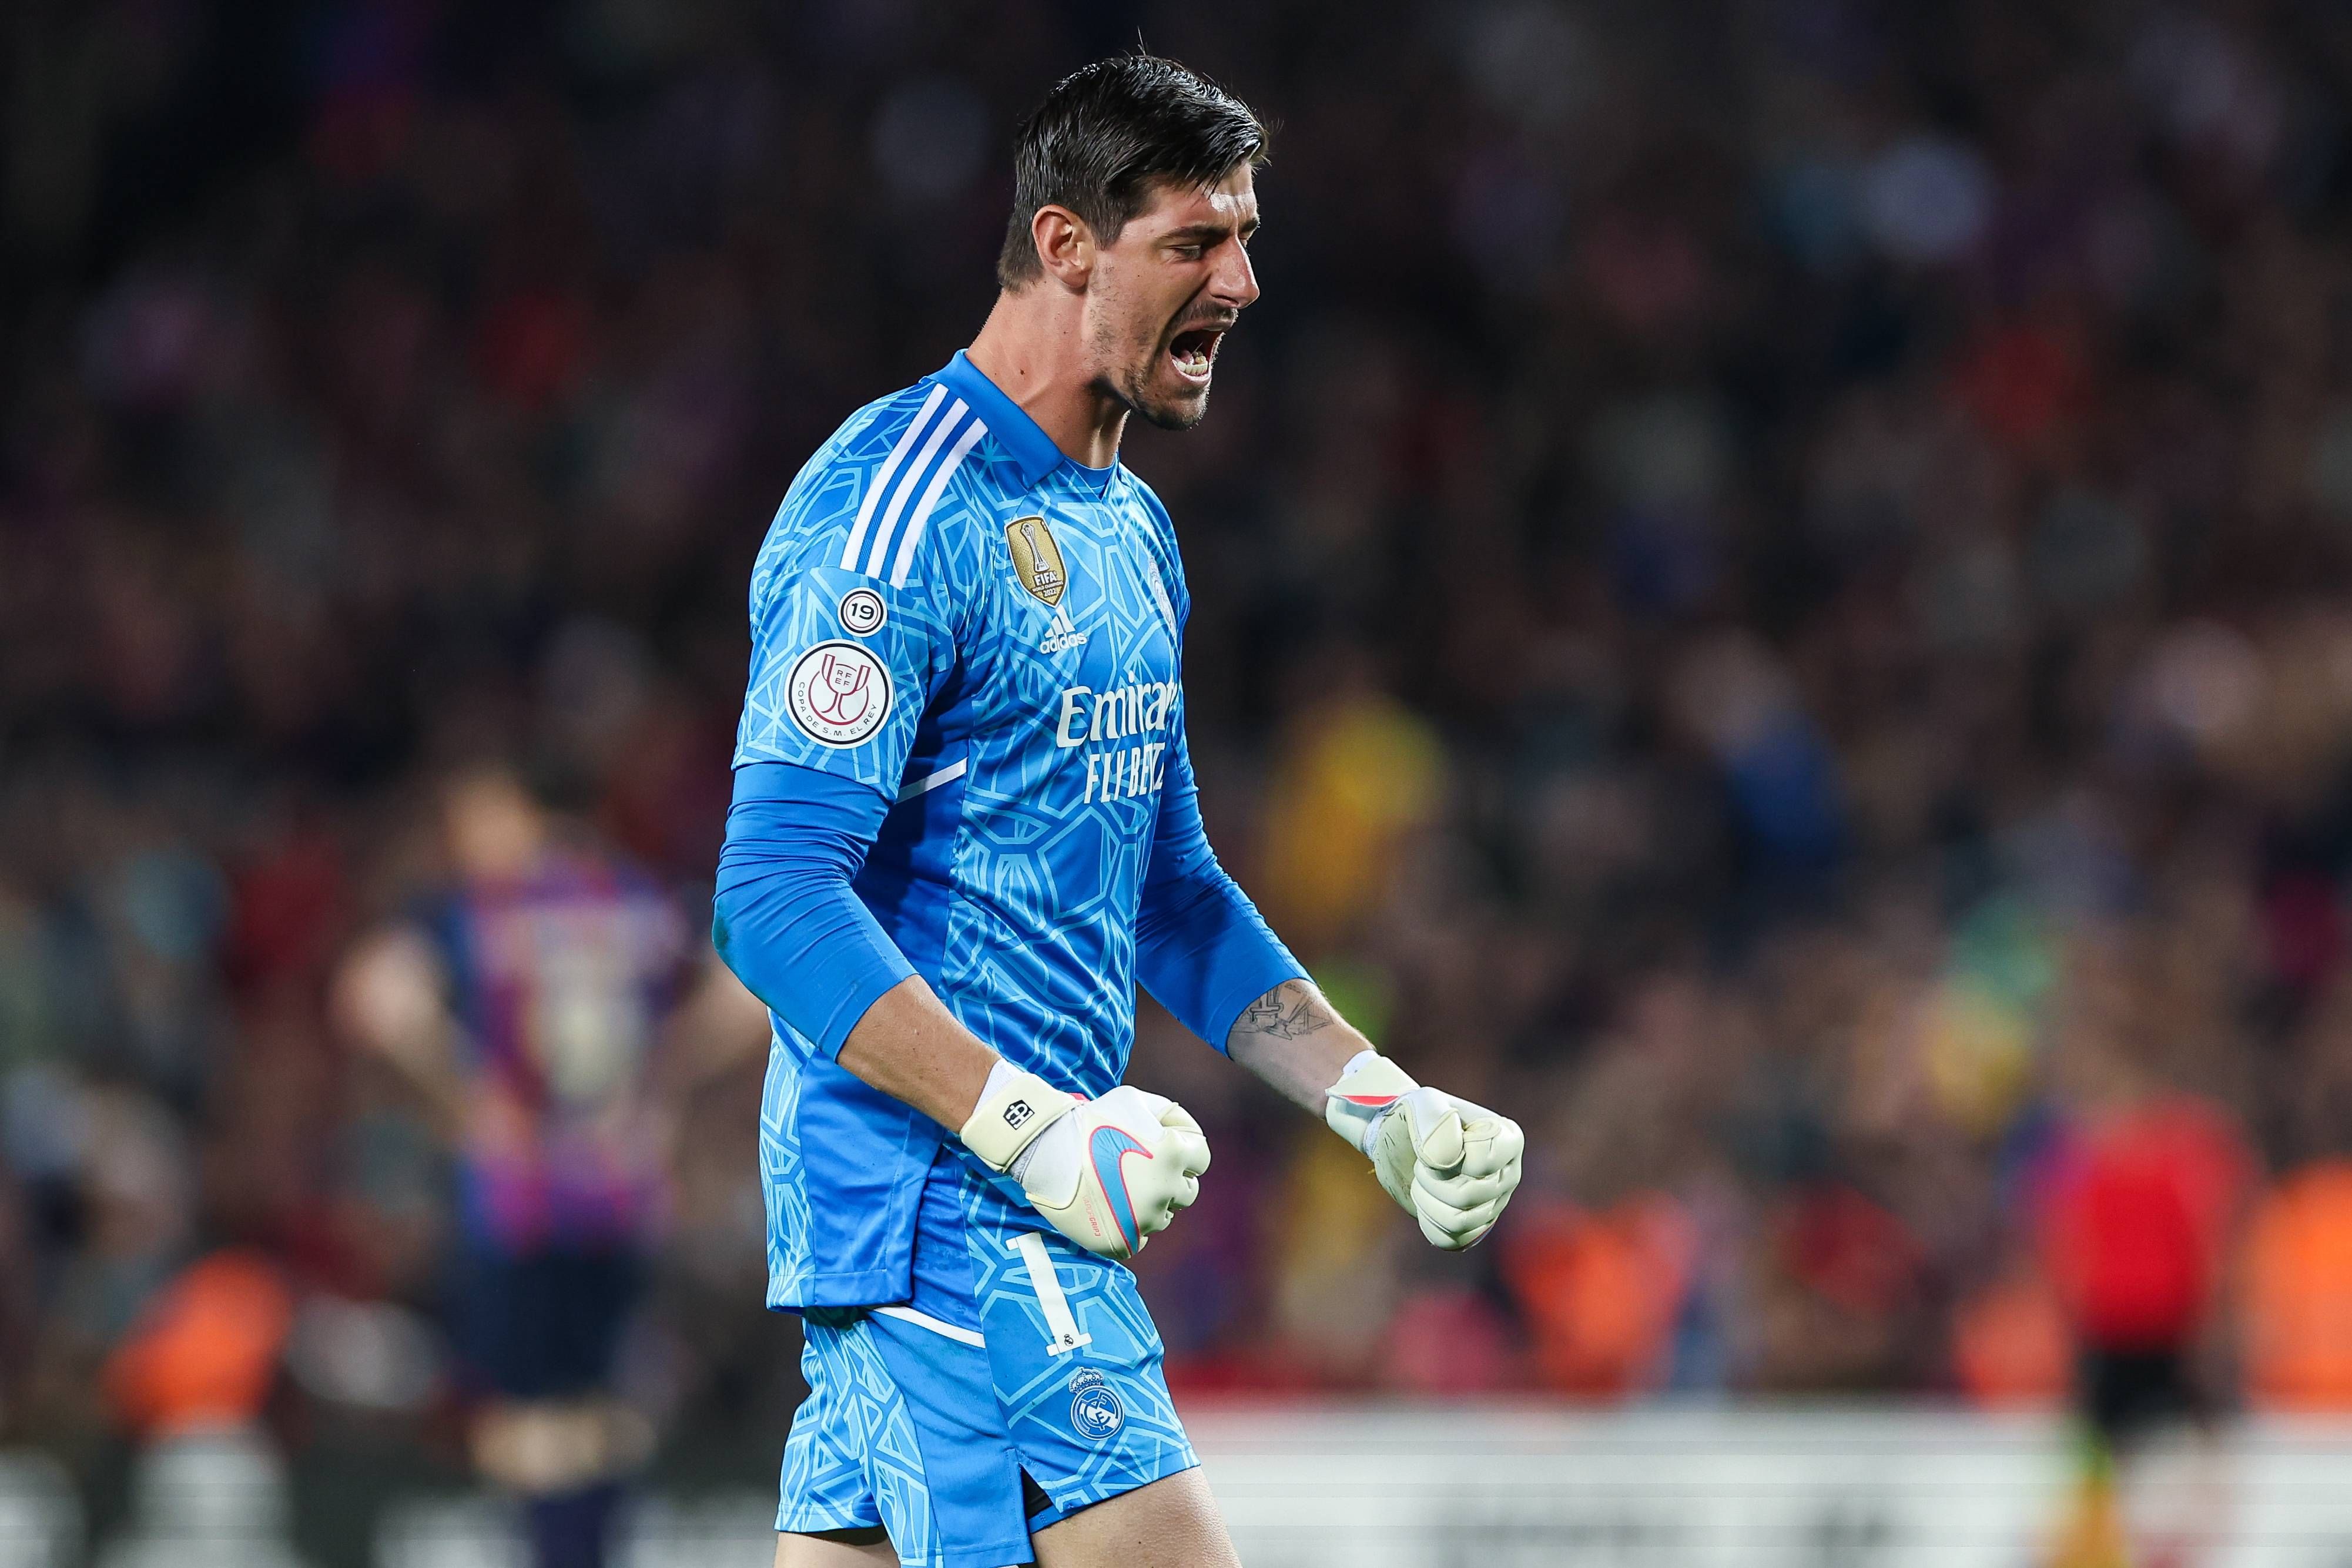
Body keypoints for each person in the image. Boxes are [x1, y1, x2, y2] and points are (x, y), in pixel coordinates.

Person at [711, 53, 1526, 1568]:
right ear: (1069, 246)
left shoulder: (1131, 529)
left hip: (990, 1220)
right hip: (947, 1206)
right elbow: (771, 892)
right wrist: (1025, 1128)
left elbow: (1167, 887)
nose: (1246, 279)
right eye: (1197, 241)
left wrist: (1378, 1103)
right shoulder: (895, 508)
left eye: (1248, 235)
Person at [336, 765, 752, 1568]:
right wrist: (664, 1078)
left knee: (525, 1418)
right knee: (604, 1408)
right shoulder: (643, 900)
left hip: (520, 1196)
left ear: (519, 812)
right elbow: (748, 993)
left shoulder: (480, 910)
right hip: (621, 1188)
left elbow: (374, 995)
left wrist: (468, 1095)